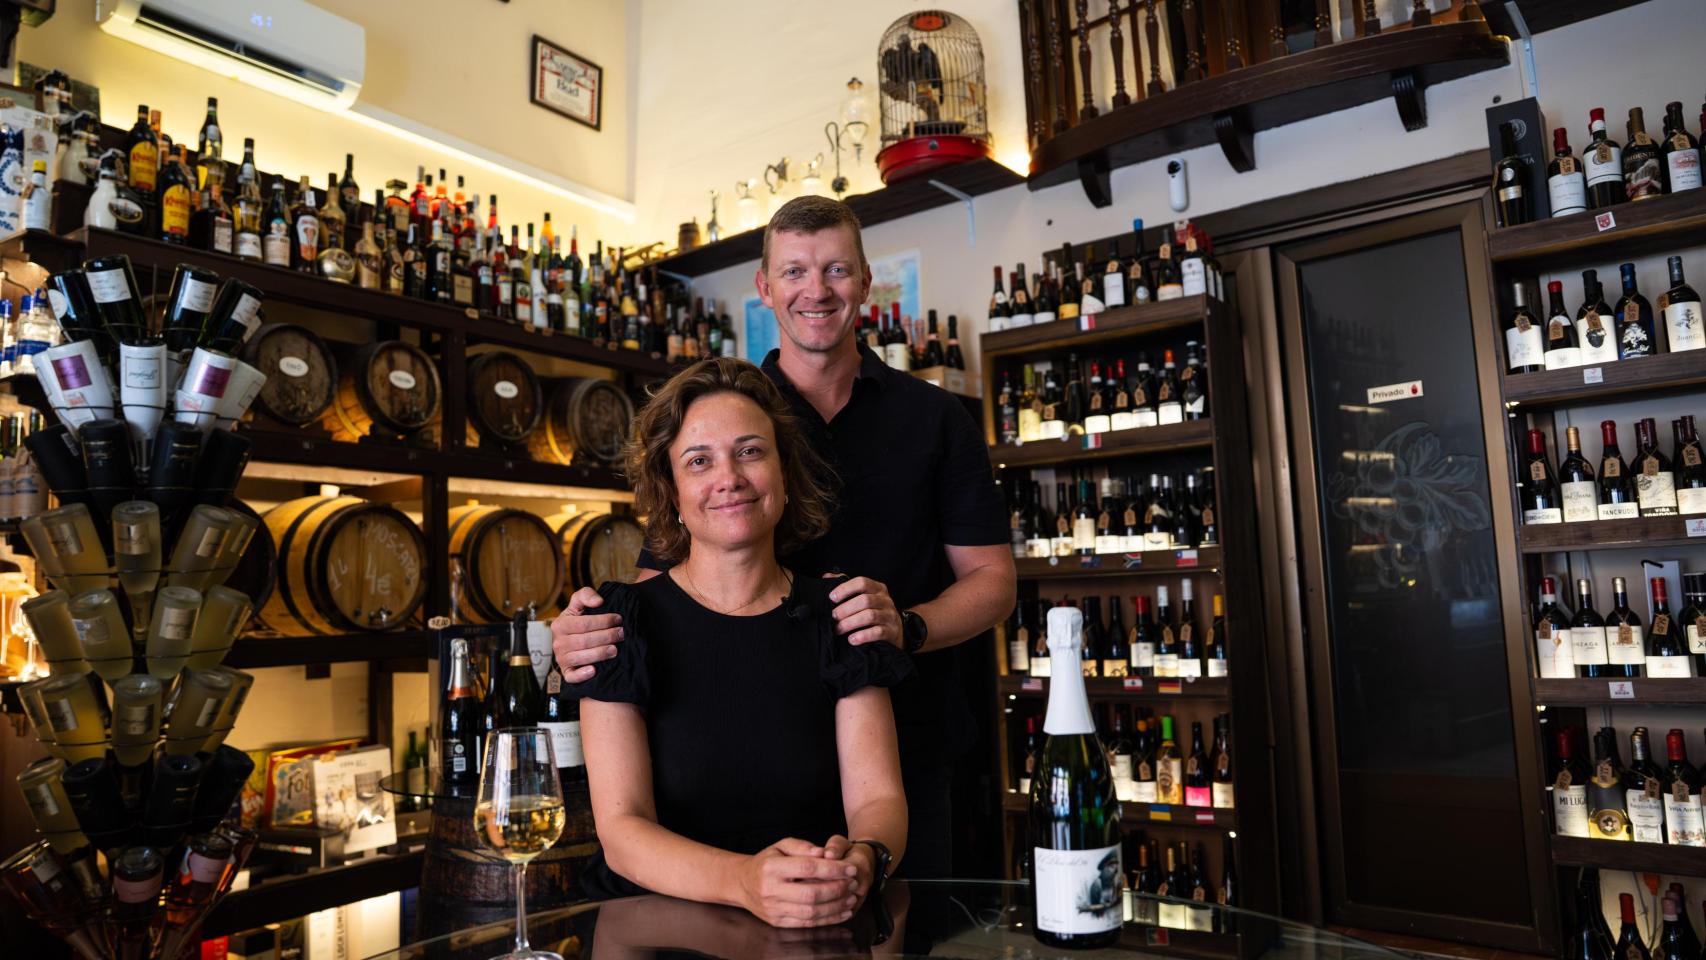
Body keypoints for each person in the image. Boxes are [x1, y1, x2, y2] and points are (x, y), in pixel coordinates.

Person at [554, 195, 1016, 880]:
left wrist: (903, 628)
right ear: (765, 287)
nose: (816, 290)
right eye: (794, 271)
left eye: (836, 269)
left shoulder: (936, 418)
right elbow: (663, 589)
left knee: (894, 916)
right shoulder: (733, 414)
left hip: (908, 746)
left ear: (866, 280)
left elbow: (994, 583)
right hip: (742, 749)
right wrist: (588, 636)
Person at [571, 357, 910, 928]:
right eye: (699, 461)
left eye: (750, 451)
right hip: (656, 928)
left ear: (784, 474)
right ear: (672, 492)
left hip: (815, 917)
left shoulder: (841, 612)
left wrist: (866, 858)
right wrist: (746, 883)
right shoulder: (619, 622)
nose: (728, 477)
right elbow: (622, 833)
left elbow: (878, 800)